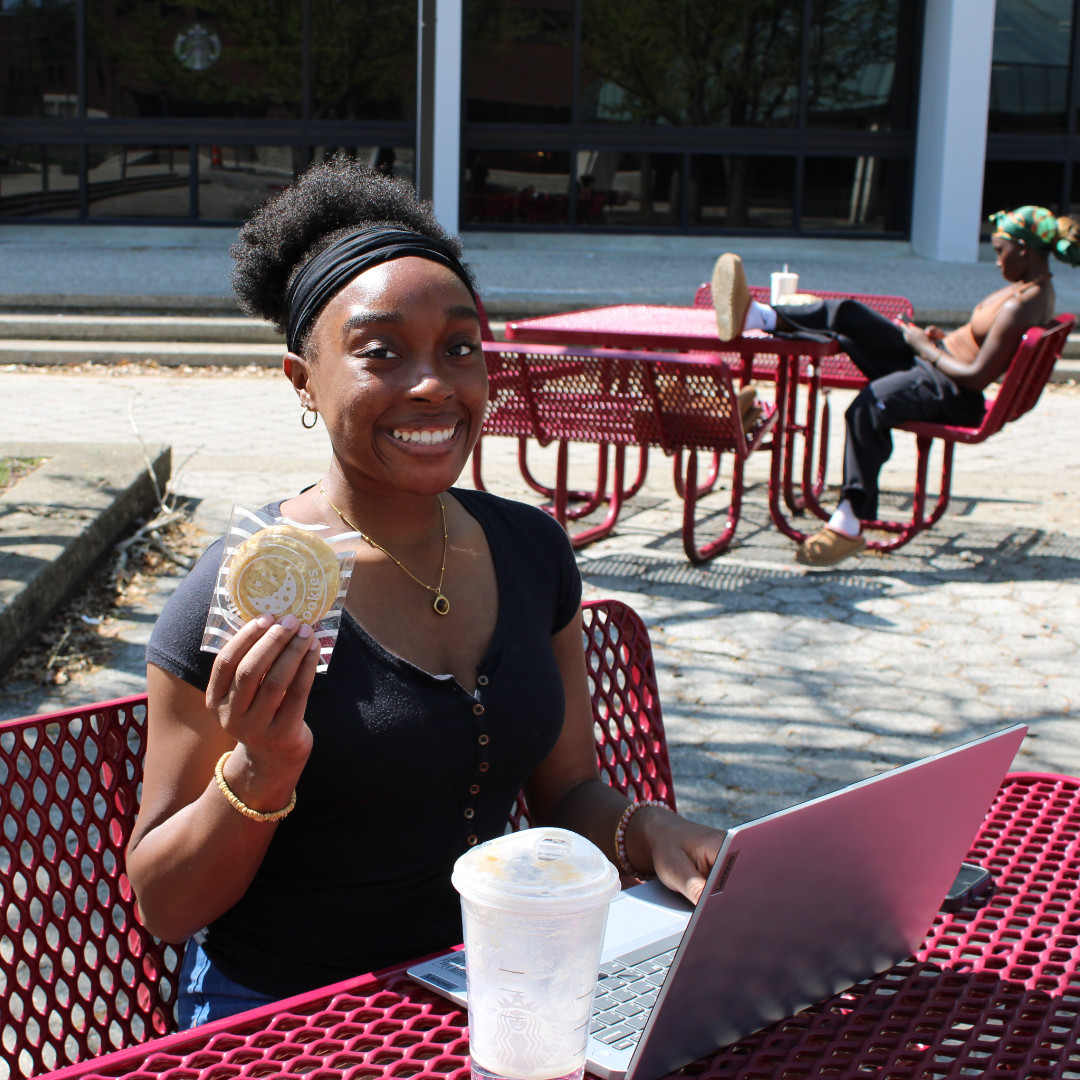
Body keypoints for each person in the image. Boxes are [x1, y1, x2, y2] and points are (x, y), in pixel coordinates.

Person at [127, 157, 723, 1027]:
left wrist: (654, 832)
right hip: (288, 1012)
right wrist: (260, 767)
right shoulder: (247, 589)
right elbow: (165, 906)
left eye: (459, 348)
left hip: (496, 981)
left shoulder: (530, 548)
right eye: (380, 353)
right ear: (303, 379)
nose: (435, 383)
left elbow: (567, 794)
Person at [710, 206, 1080, 566]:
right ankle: (757, 315)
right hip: (937, 366)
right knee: (850, 315)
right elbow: (981, 347)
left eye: (1001, 252)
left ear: (1024, 249)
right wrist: (940, 340)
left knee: (868, 406)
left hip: (951, 389)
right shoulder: (1027, 288)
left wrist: (926, 349)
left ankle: (849, 523)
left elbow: (978, 377)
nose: (997, 261)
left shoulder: (1023, 303)